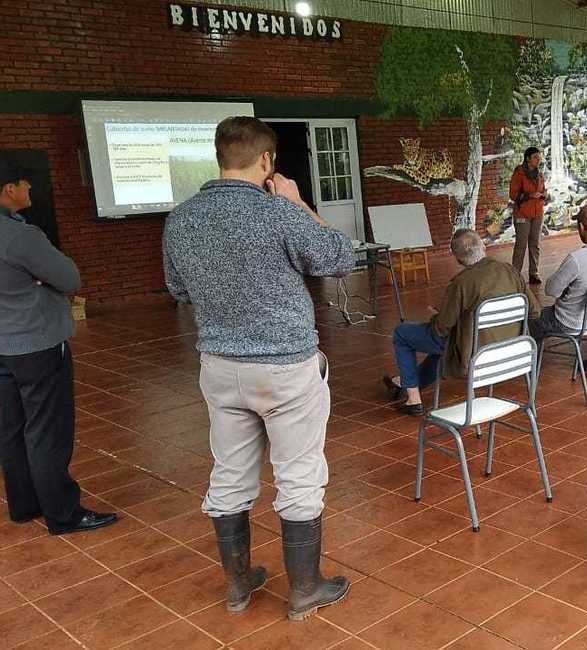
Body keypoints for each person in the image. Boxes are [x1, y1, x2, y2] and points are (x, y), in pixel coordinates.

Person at [163, 116, 357, 619]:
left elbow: (179, 290)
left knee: (229, 474)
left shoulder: (181, 218)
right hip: (286, 367)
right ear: (267, 161)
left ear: (219, 156)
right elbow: (340, 257)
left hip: (220, 366)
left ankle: (238, 585)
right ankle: (305, 588)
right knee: (298, 475)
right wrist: (298, 204)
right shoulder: (278, 212)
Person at [0, 162, 117, 536]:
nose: (29, 191)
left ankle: (24, 505)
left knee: (11, 427)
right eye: (24, 183)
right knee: (46, 430)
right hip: (34, 342)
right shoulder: (20, 236)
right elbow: (69, 277)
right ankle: (63, 514)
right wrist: (37, 278)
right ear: (7, 190)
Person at [384, 229, 539, 413]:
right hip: (510, 349)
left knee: (403, 333)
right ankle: (407, 381)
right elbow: (534, 312)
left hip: (472, 352)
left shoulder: (461, 283)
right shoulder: (510, 271)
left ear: (457, 258)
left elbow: (441, 329)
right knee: (446, 345)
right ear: (483, 245)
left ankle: (413, 400)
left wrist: (438, 315)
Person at [529, 207, 587, 341]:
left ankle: (531, 360)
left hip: (569, 322)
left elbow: (550, 290)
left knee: (532, 320)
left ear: (581, 227)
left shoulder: (577, 259)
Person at [509, 146, 547, 284]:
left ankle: (534, 273)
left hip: (538, 213)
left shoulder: (539, 174)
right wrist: (530, 195)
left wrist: (544, 194)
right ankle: (515, 275)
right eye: (536, 157)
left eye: (539, 157)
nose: (539, 160)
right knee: (521, 245)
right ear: (528, 159)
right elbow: (513, 195)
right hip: (522, 214)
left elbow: (543, 190)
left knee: (535, 244)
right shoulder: (519, 174)